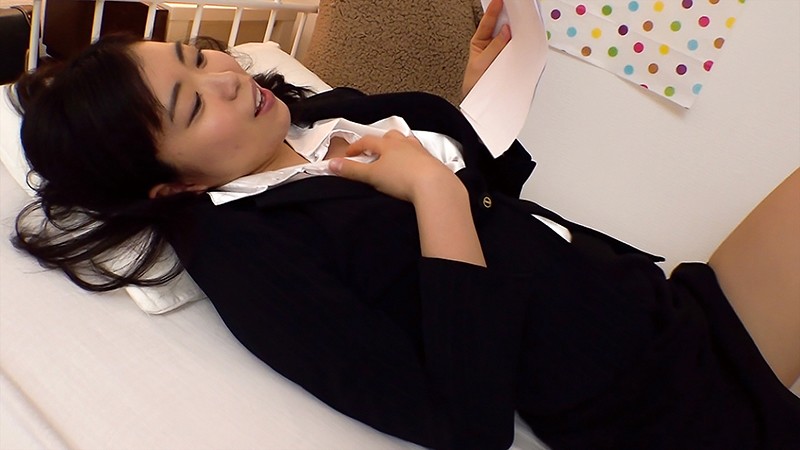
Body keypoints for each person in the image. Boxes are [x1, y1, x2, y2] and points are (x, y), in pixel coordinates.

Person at [11, 0, 800, 448]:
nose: (226, 75)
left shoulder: (311, 119)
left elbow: (496, 209)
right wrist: (431, 191)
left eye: (196, 55)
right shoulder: (251, 254)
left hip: (671, 308)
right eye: (192, 103)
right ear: (170, 184)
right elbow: (467, 423)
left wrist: (478, 99)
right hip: (653, 411)